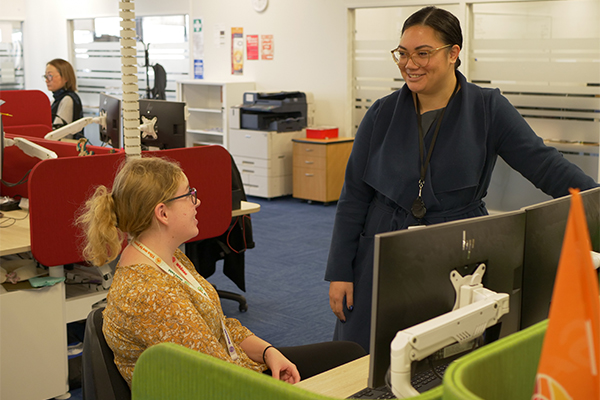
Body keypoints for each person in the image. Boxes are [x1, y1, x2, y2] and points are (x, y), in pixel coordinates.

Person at [325, 6, 598, 353]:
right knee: (365, 355)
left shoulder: (487, 109)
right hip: (382, 247)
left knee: (444, 353)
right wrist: (340, 271)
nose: (410, 64)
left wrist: (596, 199)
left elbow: (545, 166)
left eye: (423, 53)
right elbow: (353, 197)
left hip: (457, 249)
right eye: (403, 54)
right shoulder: (381, 113)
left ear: (454, 53)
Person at [76, 156, 365, 387]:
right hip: (221, 385)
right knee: (348, 368)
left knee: (349, 355)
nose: (196, 201)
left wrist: (268, 352)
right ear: (162, 213)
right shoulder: (150, 294)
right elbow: (221, 380)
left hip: (230, 367)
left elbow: (218, 326)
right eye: (188, 195)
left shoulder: (168, 258)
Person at [44, 58, 84, 139]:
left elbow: (60, 135)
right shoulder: (56, 100)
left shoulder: (67, 100)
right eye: (46, 76)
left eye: (50, 76)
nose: (46, 80)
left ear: (65, 78)